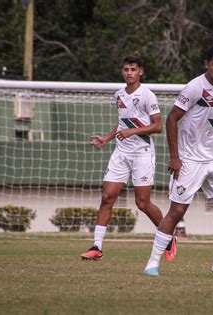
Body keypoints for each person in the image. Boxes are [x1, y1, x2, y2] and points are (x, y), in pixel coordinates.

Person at [143, 44, 213, 277]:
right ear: (206, 64)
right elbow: (172, 119)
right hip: (190, 159)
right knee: (177, 211)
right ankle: (152, 263)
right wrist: (175, 157)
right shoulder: (194, 87)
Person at [81, 56, 177, 261]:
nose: (129, 73)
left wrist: (133, 131)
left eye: (133, 69)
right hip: (121, 152)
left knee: (142, 203)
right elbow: (122, 123)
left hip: (142, 153)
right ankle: (96, 246)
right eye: (126, 69)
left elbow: (157, 126)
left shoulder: (147, 95)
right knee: (107, 196)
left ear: (140, 72)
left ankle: (169, 236)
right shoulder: (118, 95)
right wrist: (106, 139)